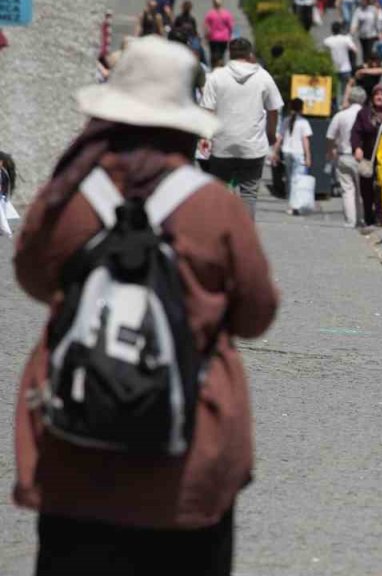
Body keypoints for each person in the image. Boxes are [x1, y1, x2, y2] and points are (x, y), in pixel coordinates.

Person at [12, 36, 277, 575]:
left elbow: (32, 278)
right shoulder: (213, 208)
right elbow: (256, 315)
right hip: (186, 462)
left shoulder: (69, 198)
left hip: (74, 456)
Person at [199, 38, 283, 219]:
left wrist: (205, 137)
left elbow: (207, 110)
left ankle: (218, 234)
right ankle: (244, 238)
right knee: (249, 195)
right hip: (252, 147)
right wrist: (271, 134)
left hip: (222, 145)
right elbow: (274, 109)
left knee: (220, 191)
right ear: (249, 54)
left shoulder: (216, 76)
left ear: (230, 53)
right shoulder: (263, 77)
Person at [352, 85, 382, 229]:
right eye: (376, 94)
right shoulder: (364, 114)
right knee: (367, 188)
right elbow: (356, 132)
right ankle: (369, 217)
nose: (379, 97)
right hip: (369, 157)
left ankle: (381, 218)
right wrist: (357, 148)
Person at [327, 85, 366, 228]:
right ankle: (362, 219)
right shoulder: (366, 114)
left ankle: (350, 221)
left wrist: (330, 150)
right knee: (362, 191)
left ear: (350, 98)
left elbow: (330, 136)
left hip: (344, 155)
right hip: (362, 157)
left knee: (347, 190)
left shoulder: (341, 115)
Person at [271, 97, 312, 212]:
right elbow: (305, 141)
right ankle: (296, 205)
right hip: (298, 153)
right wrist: (308, 156)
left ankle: (290, 203)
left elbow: (280, 137)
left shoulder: (286, 120)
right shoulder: (303, 122)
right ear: (302, 108)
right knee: (297, 180)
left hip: (287, 152)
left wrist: (275, 152)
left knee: (289, 179)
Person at [323, 22, 362, 106]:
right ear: (340, 29)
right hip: (346, 67)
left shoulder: (327, 41)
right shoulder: (346, 39)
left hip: (333, 67)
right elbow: (355, 50)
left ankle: (335, 105)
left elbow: (324, 53)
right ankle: (344, 105)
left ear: (332, 30)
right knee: (346, 89)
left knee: (335, 89)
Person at [350, 0, 382, 64]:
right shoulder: (358, 10)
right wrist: (352, 32)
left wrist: (380, 32)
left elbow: (377, 21)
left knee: (369, 52)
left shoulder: (373, 9)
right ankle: (366, 65)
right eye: (363, 0)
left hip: (372, 35)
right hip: (362, 35)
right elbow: (354, 22)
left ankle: (371, 65)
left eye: (365, 0)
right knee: (364, 52)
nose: (364, 1)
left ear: (368, 1)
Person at [203, 0, 235, 67]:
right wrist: (230, 36)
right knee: (221, 54)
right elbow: (231, 26)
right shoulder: (227, 14)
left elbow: (206, 27)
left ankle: (214, 67)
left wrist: (206, 37)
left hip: (213, 38)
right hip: (224, 38)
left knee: (213, 54)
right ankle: (220, 67)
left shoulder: (210, 14)